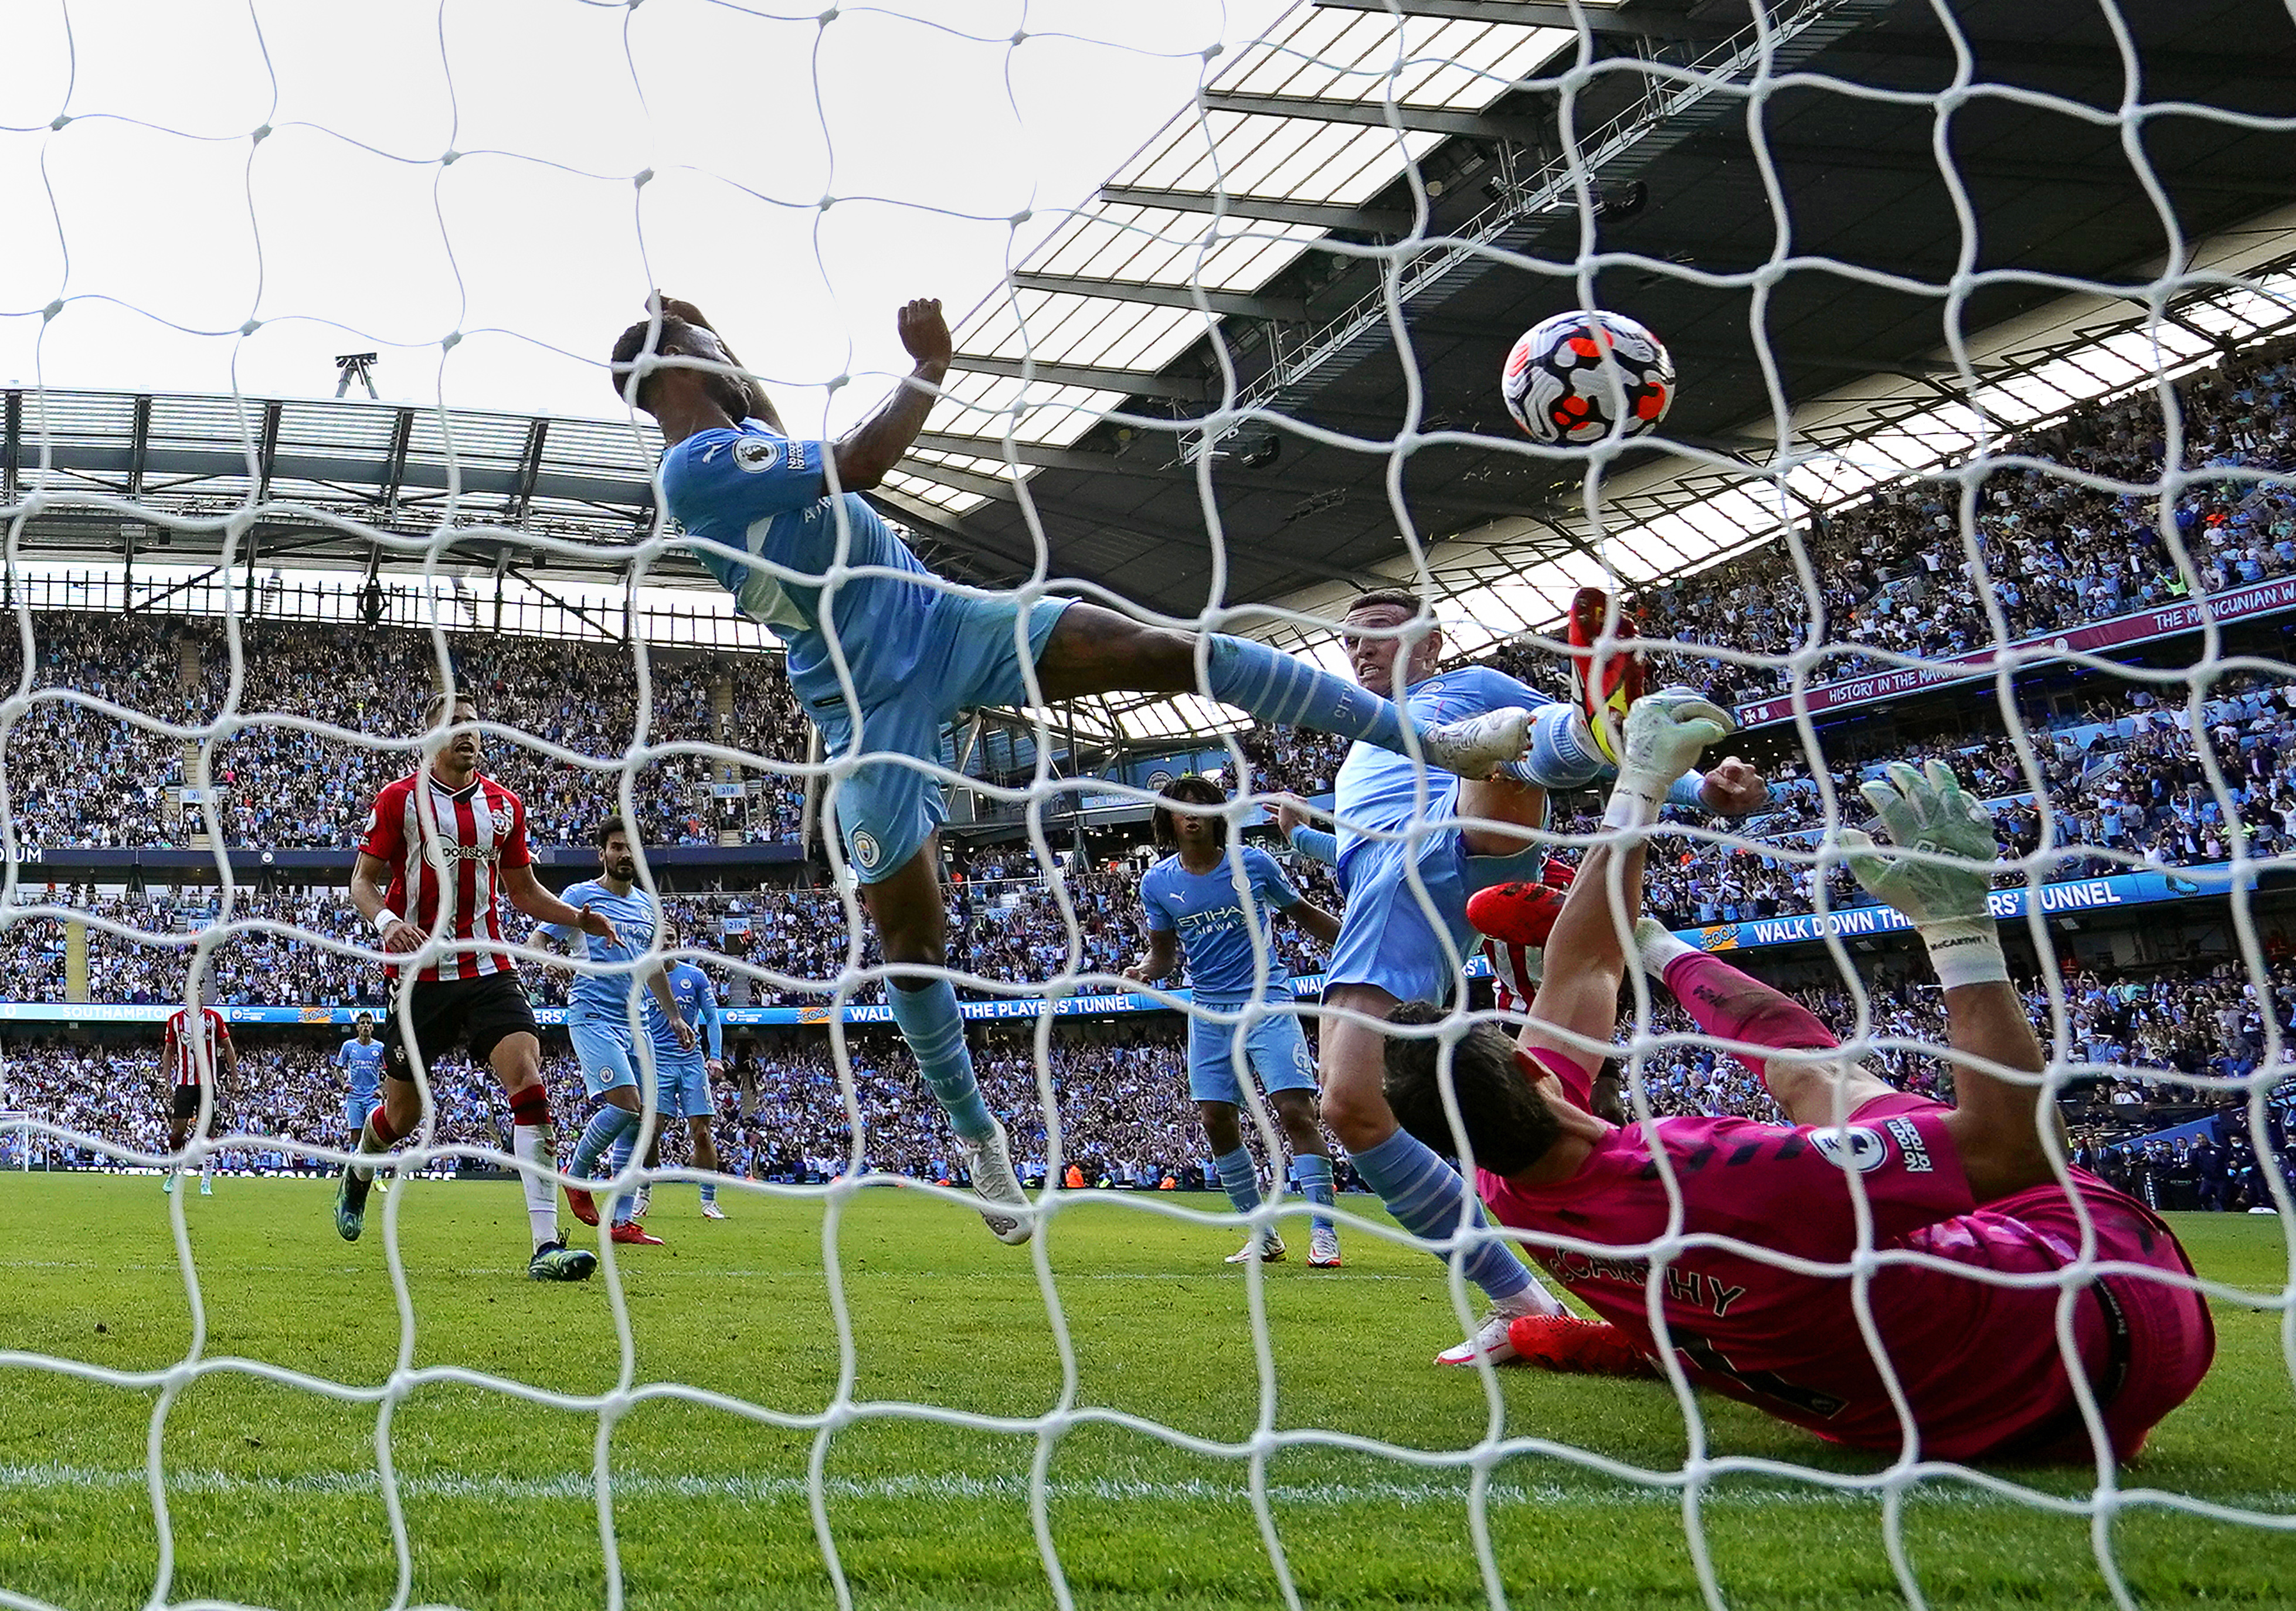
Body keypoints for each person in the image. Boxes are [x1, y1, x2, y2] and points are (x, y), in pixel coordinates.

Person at [607, 295, 1531, 1246]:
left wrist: (713, 326)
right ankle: (979, 1141)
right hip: (863, 705)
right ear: (676, 369)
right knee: (910, 939)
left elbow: (761, 412)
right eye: (702, 349)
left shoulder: (737, 439)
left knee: (1163, 648)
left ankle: (1436, 743)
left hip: (941, 620)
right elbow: (858, 462)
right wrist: (927, 366)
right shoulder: (696, 465)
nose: (724, 356)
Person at [1385, 693, 2215, 1460]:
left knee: (1815, 1102)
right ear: (1534, 1068)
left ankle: (1661, 945)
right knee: (1825, 1088)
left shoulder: (1509, 1193)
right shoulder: (1723, 1175)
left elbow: (1584, 970)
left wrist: (1632, 868)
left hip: (1927, 1425)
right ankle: (1949, 932)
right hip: (2119, 1317)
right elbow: (2015, 1152)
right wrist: (1961, 927)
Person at [1274, 589, 1768, 1364]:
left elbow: (1592, 746)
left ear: (1432, 644)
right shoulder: (1359, 735)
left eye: (1378, 636)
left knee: (1508, 749)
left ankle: (1582, 716)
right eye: (1350, 644)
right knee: (1352, 1106)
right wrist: (1307, 842)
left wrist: (1700, 788)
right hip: (1396, 884)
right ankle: (1522, 1299)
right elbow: (1357, 844)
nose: (1360, 652)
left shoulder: (1465, 686)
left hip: (1445, 845)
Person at [339, 693, 630, 1283]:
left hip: (489, 968)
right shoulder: (399, 800)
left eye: (474, 725)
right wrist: (388, 923)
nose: (468, 734)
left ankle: (546, 1245)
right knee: (401, 1116)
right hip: (418, 977)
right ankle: (359, 1172)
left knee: (528, 1076)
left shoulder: (505, 806)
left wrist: (579, 919)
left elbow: (523, 892)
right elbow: (362, 883)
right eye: (455, 725)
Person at [1124, 777, 1344, 1268]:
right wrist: (1143, 971)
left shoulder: (1254, 864)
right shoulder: (1158, 882)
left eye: (1203, 805)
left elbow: (1304, 915)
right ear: (1169, 820)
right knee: (1213, 1119)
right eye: (1182, 807)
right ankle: (1261, 1232)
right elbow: (1163, 956)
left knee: (1295, 1112)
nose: (1193, 813)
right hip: (1208, 1010)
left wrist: (1357, 943)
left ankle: (1324, 1231)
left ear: (1220, 815)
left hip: (1267, 1001)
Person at [530, 820, 697, 1249]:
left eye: (631, 848)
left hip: (638, 1025)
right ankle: (576, 1173)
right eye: (617, 847)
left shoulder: (647, 908)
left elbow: (654, 967)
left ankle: (621, 1221)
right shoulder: (580, 896)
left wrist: (675, 1017)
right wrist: (550, 960)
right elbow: (537, 941)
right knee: (626, 1105)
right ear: (601, 854)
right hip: (593, 1016)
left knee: (639, 1121)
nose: (625, 855)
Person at [607, 957, 732, 1223]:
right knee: (651, 1131)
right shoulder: (644, 976)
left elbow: (712, 1017)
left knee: (702, 1133)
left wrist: (716, 1056)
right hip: (657, 1063)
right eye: (662, 939)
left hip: (691, 1063)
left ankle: (709, 1200)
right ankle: (644, 1192)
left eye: (672, 938)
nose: (666, 944)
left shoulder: (695, 976)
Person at [161, 1000, 236, 1195]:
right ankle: (173, 1174)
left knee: (209, 1132)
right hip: (184, 1084)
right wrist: (166, 1081)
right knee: (178, 1131)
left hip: (208, 1085)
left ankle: (206, 1182)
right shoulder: (175, 1021)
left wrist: (234, 1078)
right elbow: (168, 1051)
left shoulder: (214, 1019)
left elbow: (228, 1047)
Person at [332, 1014, 389, 1192]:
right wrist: (343, 1084)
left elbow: (390, 1072)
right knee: (355, 1136)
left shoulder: (380, 1047)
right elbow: (338, 1068)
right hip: (355, 1097)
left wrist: (382, 1089)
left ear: (373, 1027)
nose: (365, 1026)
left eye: (368, 1023)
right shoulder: (349, 1046)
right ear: (357, 1027)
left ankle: (378, 1177)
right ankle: (350, 1174)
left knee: (378, 1136)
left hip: (372, 1098)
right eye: (362, 1023)